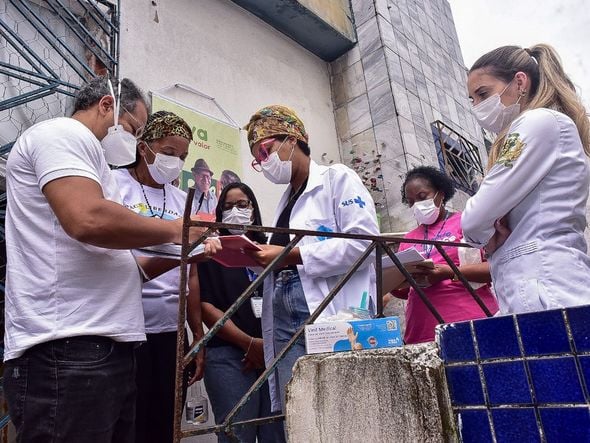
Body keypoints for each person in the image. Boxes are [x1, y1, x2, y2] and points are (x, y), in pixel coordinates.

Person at [3, 76, 219, 442]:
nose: (133, 143)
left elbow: (128, 269)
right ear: (107, 105)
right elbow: (87, 219)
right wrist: (174, 231)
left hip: (104, 346)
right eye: (134, 130)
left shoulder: (96, 168)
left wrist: (184, 254)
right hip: (68, 347)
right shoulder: (62, 134)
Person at [244, 105, 380, 412]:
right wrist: (251, 256)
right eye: (258, 159)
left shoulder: (336, 179)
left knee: (339, 402)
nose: (265, 163)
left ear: (292, 139)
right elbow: (279, 257)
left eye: (266, 151)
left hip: (327, 303)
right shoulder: (285, 202)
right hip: (282, 302)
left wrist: (293, 255)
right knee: (300, 402)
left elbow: (364, 243)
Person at [461, 44, 590, 314]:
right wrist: (488, 235)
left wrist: (483, 234)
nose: (477, 107)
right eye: (472, 99)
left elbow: (474, 219)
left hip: (548, 285)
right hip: (533, 283)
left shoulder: (539, 122)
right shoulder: (534, 129)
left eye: (483, 94)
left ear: (520, 81)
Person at [112, 111, 205, 443]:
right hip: (125, 332)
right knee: (128, 425)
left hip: (170, 332)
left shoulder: (182, 200)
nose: (175, 163)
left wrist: (197, 334)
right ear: (143, 147)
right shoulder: (115, 185)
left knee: (165, 425)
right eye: (168, 153)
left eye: (182, 157)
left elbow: (190, 275)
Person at [197, 182, 285, 443]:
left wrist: (265, 347)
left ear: (253, 210)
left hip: (272, 354)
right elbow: (205, 307)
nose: (235, 211)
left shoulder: (270, 250)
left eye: (242, 204)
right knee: (238, 434)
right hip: (227, 356)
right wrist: (248, 344)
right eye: (227, 207)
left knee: (276, 433)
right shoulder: (211, 251)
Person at [388, 166, 498, 344]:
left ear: (440, 193)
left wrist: (448, 272)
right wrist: (392, 283)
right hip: (422, 330)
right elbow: (405, 291)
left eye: (422, 197)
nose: (417, 205)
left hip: (470, 322)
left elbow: (496, 268)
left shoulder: (466, 223)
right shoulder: (409, 237)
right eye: (411, 201)